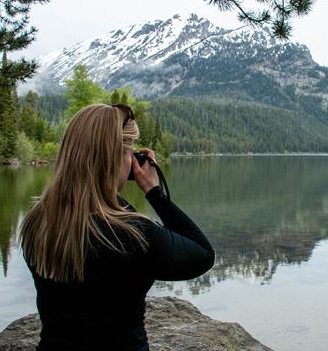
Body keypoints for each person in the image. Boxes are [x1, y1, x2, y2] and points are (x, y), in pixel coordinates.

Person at [19, 103, 215, 351]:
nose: (131, 161)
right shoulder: (132, 234)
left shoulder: (37, 221)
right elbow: (203, 255)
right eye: (128, 153)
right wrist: (154, 193)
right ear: (113, 160)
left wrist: (109, 189)